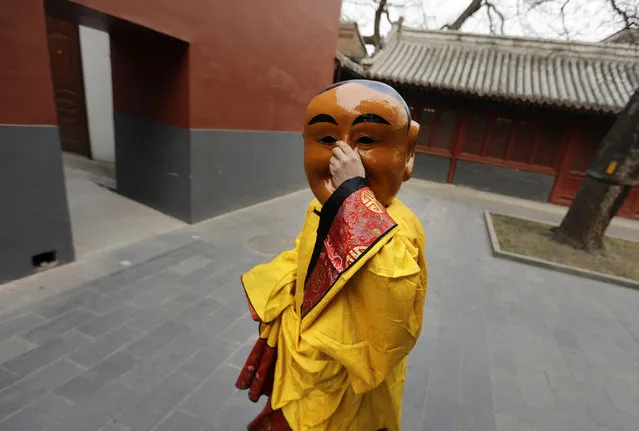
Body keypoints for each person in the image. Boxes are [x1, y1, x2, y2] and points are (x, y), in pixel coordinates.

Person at [235, 79, 428, 431]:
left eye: (366, 140)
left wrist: (355, 193)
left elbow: (394, 312)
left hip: (349, 390)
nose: (344, 159)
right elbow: (305, 255)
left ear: (409, 152)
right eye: (326, 139)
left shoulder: (399, 230)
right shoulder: (318, 207)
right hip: (300, 367)